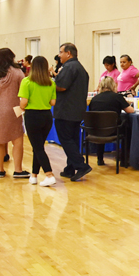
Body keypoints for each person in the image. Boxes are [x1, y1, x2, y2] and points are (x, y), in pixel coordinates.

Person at [0, 48, 28, 178]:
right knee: (17, 140)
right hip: (13, 109)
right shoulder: (18, 73)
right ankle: (18, 170)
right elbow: (23, 91)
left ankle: (0, 170)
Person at [54, 42, 92, 182]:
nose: (59, 55)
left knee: (65, 139)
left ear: (68, 53)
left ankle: (81, 165)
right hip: (77, 110)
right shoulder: (81, 68)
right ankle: (70, 167)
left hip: (66, 110)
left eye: (61, 52)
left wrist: (49, 82)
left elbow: (61, 86)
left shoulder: (69, 67)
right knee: (73, 140)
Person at [18, 56, 57, 186]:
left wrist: (22, 106)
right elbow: (52, 102)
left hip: (32, 116)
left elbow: (23, 102)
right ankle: (34, 175)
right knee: (38, 146)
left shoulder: (27, 81)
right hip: (46, 116)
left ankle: (49, 174)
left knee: (38, 147)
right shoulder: (51, 83)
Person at [88, 76, 135, 166]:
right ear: (113, 85)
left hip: (96, 130)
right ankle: (124, 160)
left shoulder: (94, 99)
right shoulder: (117, 97)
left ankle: (100, 158)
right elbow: (130, 110)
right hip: (113, 130)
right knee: (127, 128)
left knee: (101, 124)